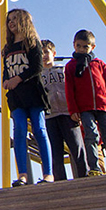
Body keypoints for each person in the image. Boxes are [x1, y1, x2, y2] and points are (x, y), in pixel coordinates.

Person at [2, 8, 54, 186]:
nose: (11, 22)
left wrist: (18, 79)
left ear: (24, 20)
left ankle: (48, 173)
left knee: (39, 129)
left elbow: (37, 67)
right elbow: (6, 69)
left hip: (33, 93)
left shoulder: (32, 42)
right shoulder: (8, 48)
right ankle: (22, 175)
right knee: (19, 132)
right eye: (9, 20)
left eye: (15, 18)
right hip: (16, 97)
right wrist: (6, 81)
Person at [64, 29, 106, 175]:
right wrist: (73, 110)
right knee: (91, 136)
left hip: (103, 107)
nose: (81, 49)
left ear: (92, 47)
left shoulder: (100, 64)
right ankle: (94, 168)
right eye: (78, 46)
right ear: (74, 45)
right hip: (85, 109)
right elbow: (69, 90)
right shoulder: (71, 66)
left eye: (85, 46)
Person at [41, 39, 87, 180]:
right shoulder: (38, 76)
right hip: (50, 116)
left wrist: (76, 110)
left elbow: (74, 89)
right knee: (55, 152)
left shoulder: (63, 69)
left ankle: (84, 177)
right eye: (40, 53)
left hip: (68, 113)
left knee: (77, 148)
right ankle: (60, 181)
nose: (43, 55)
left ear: (53, 53)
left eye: (46, 52)